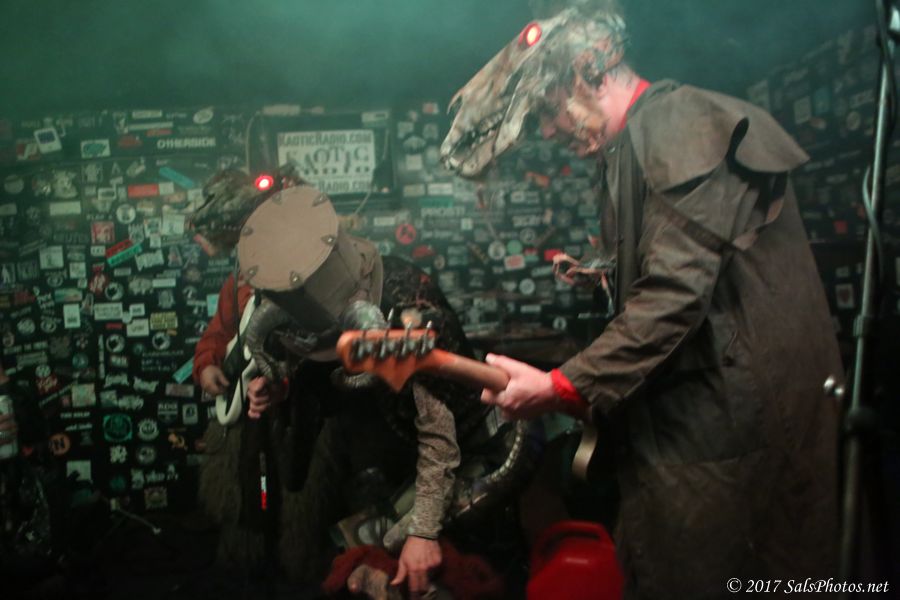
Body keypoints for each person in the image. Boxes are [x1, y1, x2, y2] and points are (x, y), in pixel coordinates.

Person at [440, 3, 842, 598]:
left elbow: (676, 293)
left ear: (591, 71)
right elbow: (690, 261)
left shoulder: (679, 122)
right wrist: (604, 275)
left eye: (548, 109)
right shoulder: (630, 146)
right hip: (702, 430)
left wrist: (562, 386)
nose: (547, 131)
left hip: (733, 434)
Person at [236, 182, 531, 598]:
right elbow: (310, 375)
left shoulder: (410, 316)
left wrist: (424, 531)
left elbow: (439, 433)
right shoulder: (305, 304)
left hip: (466, 449)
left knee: (464, 568)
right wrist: (280, 389)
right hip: (384, 446)